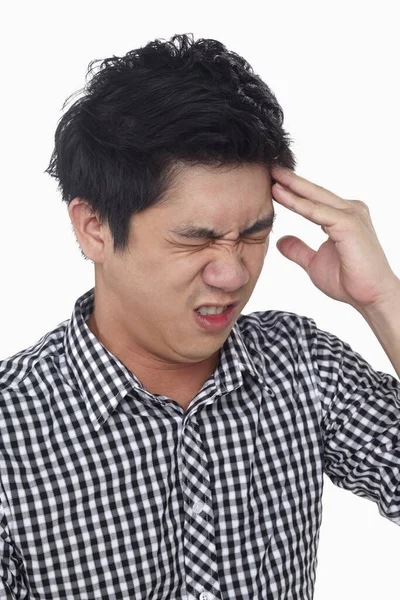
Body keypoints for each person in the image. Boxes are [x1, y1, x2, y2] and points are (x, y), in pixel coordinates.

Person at [0, 32, 399, 600]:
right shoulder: (11, 428)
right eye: (196, 242)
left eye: (255, 235)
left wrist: (382, 299)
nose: (233, 274)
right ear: (93, 228)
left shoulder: (303, 366)